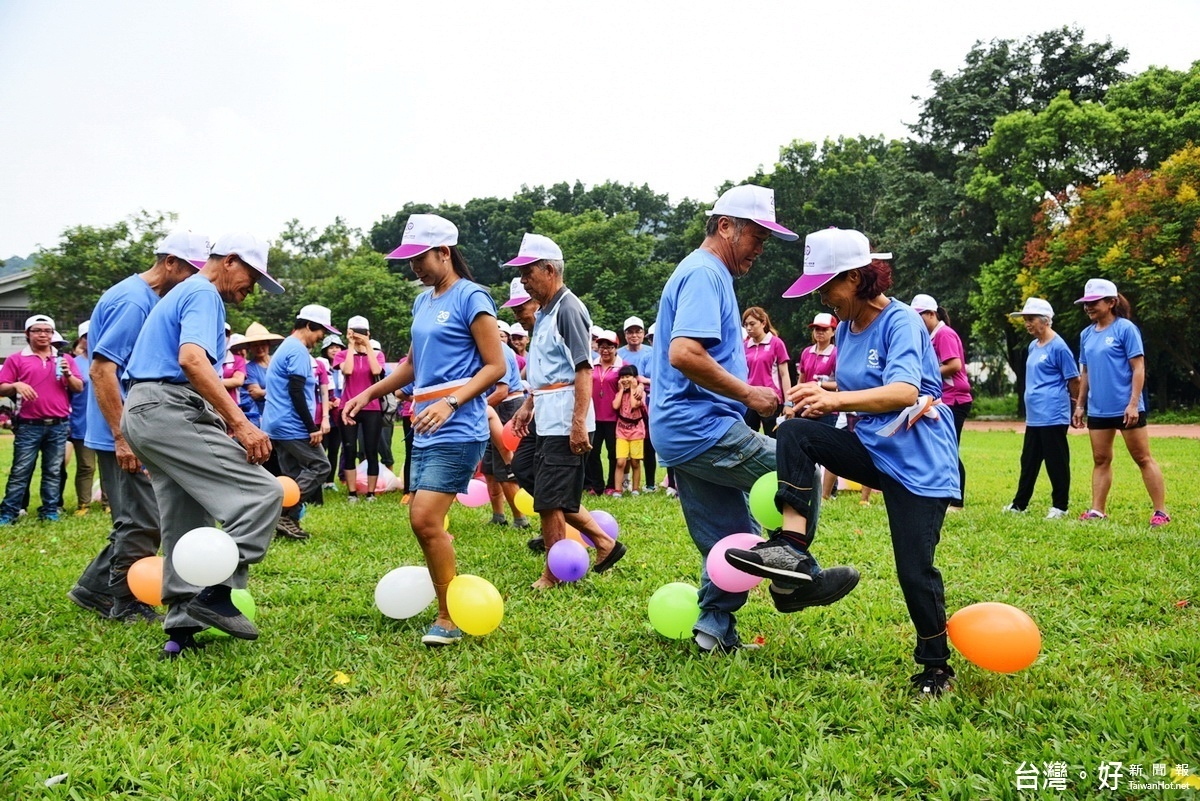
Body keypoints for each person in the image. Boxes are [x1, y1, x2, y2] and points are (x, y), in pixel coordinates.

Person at [726, 226, 959, 696]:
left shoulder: (901, 322)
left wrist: (836, 401)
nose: (824, 298)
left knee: (914, 570)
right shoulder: (850, 327)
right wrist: (826, 391)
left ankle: (936, 668)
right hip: (874, 450)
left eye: (826, 286)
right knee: (794, 433)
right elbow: (861, 383)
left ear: (855, 277)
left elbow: (905, 391)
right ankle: (792, 546)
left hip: (918, 464)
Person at [650, 184, 856, 654]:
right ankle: (792, 581)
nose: (761, 251)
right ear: (726, 227)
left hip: (682, 429)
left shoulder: (703, 272)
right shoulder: (706, 274)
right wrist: (749, 393)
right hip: (702, 427)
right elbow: (684, 353)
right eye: (757, 239)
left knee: (730, 538)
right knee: (795, 470)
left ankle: (712, 631)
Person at [121, 233, 286, 657]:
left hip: (145, 410)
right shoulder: (203, 292)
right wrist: (241, 423)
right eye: (252, 279)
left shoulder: (185, 292)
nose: (251, 292)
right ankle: (216, 593)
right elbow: (191, 360)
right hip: (166, 407)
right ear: (230, 261)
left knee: (185, 520)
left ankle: (181, 633)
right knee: (262, 494)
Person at [345, 213, 505, 646]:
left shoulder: (473, 297)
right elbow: (414, 366)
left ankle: (448, 616)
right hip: (424, 424)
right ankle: (446, 598)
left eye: (420, 257)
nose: (414, 266)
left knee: (423, 517)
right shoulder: (423, 302)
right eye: (409, 259)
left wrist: (452, 402)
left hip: (459, 425)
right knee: (425, 523)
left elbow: (497, 366)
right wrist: (368, 393)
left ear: (444, 252)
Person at [67, 231, 208, 622]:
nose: (196, 283)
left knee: (142, 516)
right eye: (191, 272)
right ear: (170, 263)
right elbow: (101, 369)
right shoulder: (133, 301)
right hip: (122, 430)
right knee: (142, 520)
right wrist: (122, 436)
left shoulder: (142, 297)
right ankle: (123, 600)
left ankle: (93, 587)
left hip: (129, 426)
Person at [507, 232, 626, 589]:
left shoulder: (569, 309)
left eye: (528, 272)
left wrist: (578, 423)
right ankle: (604, 542)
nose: (524, 281)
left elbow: (582, 369)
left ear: (549, 270)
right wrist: (528, 404)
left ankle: (554, 571)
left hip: (564, 419)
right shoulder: (544, 312)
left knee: (549, 497)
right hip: (544, 413)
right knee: (524, 469)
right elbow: (546, 370)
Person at [1072, 278, 1169, 526]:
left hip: (1126, 407)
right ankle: (1097, 510)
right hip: (1099, 408)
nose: (1089, 308)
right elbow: (1086, 372)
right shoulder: (1086, 335)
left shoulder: (1126, 329)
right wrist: (1080, 405)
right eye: (1086, 303)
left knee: (1142, 457)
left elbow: (1138, 368)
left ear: (1111, 302)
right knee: (1101, 459)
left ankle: (1160, 512)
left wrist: (1133, 403)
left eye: (1094, 302)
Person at [263, 304, 339, 540]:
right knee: (320, 467)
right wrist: (311, 427)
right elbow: (296, 391)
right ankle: (282, 514)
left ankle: (287, 523)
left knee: (294, 476)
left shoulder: (286, 347)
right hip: (291, 424)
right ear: (308, 326)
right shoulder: (297, 351)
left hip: (276, 423)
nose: (321, 338)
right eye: (320, 332)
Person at [0, 314, 84, 525]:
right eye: (37, 330)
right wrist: (16, 385)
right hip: (28, 425)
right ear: (27, 334)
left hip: (58, 424)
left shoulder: (65, 360)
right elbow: (1, 388)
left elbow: (79, 387)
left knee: (54, 471)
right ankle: (8, 513)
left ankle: (49, 511)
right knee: (21, 471)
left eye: (47, 331)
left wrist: (68, 375)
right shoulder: (16, 359)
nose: (43, 335)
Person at [1003, 298, 1079, 519]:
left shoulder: (1059, 347)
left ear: (1045, 321)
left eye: (1031, 319)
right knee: (1028, 461)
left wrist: (1076, 406)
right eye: (1025, 320)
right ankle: (1019, 504)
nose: (1027, 324)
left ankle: (1060, 506)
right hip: (1035, 416)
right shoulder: (1032, 346)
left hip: (1053, 414)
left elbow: (1073, 379)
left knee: (1056, 461)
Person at [911, 294, 972, 510]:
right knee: (939, 448)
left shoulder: (944, 334)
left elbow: (954, 365)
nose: (917, 321)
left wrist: (923, 374)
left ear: (931, 314)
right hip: (941, 399)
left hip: (954, 399)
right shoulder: (929, 336)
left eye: (920, 316)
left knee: (948, 448)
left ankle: (957, 501)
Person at [482, 322, 529, 528]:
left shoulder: (499, 350)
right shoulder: (487, 347)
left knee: (505, 468)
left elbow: (501, 392)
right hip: (494, 408)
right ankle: (498, 516)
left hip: (507, 407)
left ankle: (521, 519)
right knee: (489, 468)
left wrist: (474, 407)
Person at [335, 316, 385, 500]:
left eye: (362, 332)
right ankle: (352, 492)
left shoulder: (377, 354)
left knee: (371, 450)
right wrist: (350, 346)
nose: (359, 336)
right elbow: (347, 370)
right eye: (355, 331)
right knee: (349, 449)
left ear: (368, 333)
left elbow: (376, 371)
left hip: (372, 407)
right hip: (348, 406)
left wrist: (368, 345)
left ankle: (371, 492)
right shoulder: (342, 354)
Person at [796, 312, 841, 499]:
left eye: (824, 329)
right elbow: (802, 377)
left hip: (829, 406)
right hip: (808, 404)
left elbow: (840, 383)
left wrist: (819, 385)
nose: (819, 333)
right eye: (816, 329)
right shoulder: (807, 352)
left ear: (833, 332)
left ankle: (831, 489)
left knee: (827, 448)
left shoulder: (837, 353)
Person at [617, 315, 656, 491]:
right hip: (624, 403)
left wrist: (641, 383)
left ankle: (649, 483)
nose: (634, 335)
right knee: (623, 444)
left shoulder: (651, 352)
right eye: (630, 332)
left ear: (643, 333)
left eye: (638, 331)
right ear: (625, 335)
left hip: (647, 401)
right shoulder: (620, 354)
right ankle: (624, 482)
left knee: (647, 443)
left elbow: (657, 379)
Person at [741, 306, 792, 437]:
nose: (748, 328)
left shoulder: (776, 343)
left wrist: (789, 403)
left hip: (771, 400)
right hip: (750, 398)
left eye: (752, 324)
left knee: (774, 439)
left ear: (763, 323)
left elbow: (784, 375)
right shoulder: (744, 345)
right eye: (746, 325)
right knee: (747, 439)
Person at [67, 321, 100, 516]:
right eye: (87, 336)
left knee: (110, 466)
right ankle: (84, 504)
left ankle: (108, 502)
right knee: (86, 466)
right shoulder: (74, 363)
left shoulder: (108, 359)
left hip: (106, 421)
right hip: (81, 422)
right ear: (81, 340)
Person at [585, 329, 622, 495]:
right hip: (594, 416)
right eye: (602, 346)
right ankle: (597, 485)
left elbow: (634, 383)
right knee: (593, 452)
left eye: (609, 347)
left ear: (616, 348)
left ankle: (611, 485)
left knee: (614, 453)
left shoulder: (622, 366)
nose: (605, 350)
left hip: (614, 417)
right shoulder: (591, 365)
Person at [317, 334, 345, 489]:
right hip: (324, 413)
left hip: (339, 414)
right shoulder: (321, 365)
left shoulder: (344, 367)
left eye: (338, 347)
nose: (335, 350)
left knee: (335, 449)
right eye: (331, 347)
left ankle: (330, 481)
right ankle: (319, 481)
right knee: (323, 448)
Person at [612, 364, 645, 495]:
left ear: (635, 378)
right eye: (622, 377)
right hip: (621, 431)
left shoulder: (638, 393)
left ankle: (635, 489)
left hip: (637, 431)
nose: (625, 379)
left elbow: (634, 404)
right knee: (620, 461)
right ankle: (618, 490)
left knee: (635, 462)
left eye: (628, 376)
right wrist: (620, 390)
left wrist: (634, 387)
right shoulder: (620, 392)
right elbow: (615, 406)